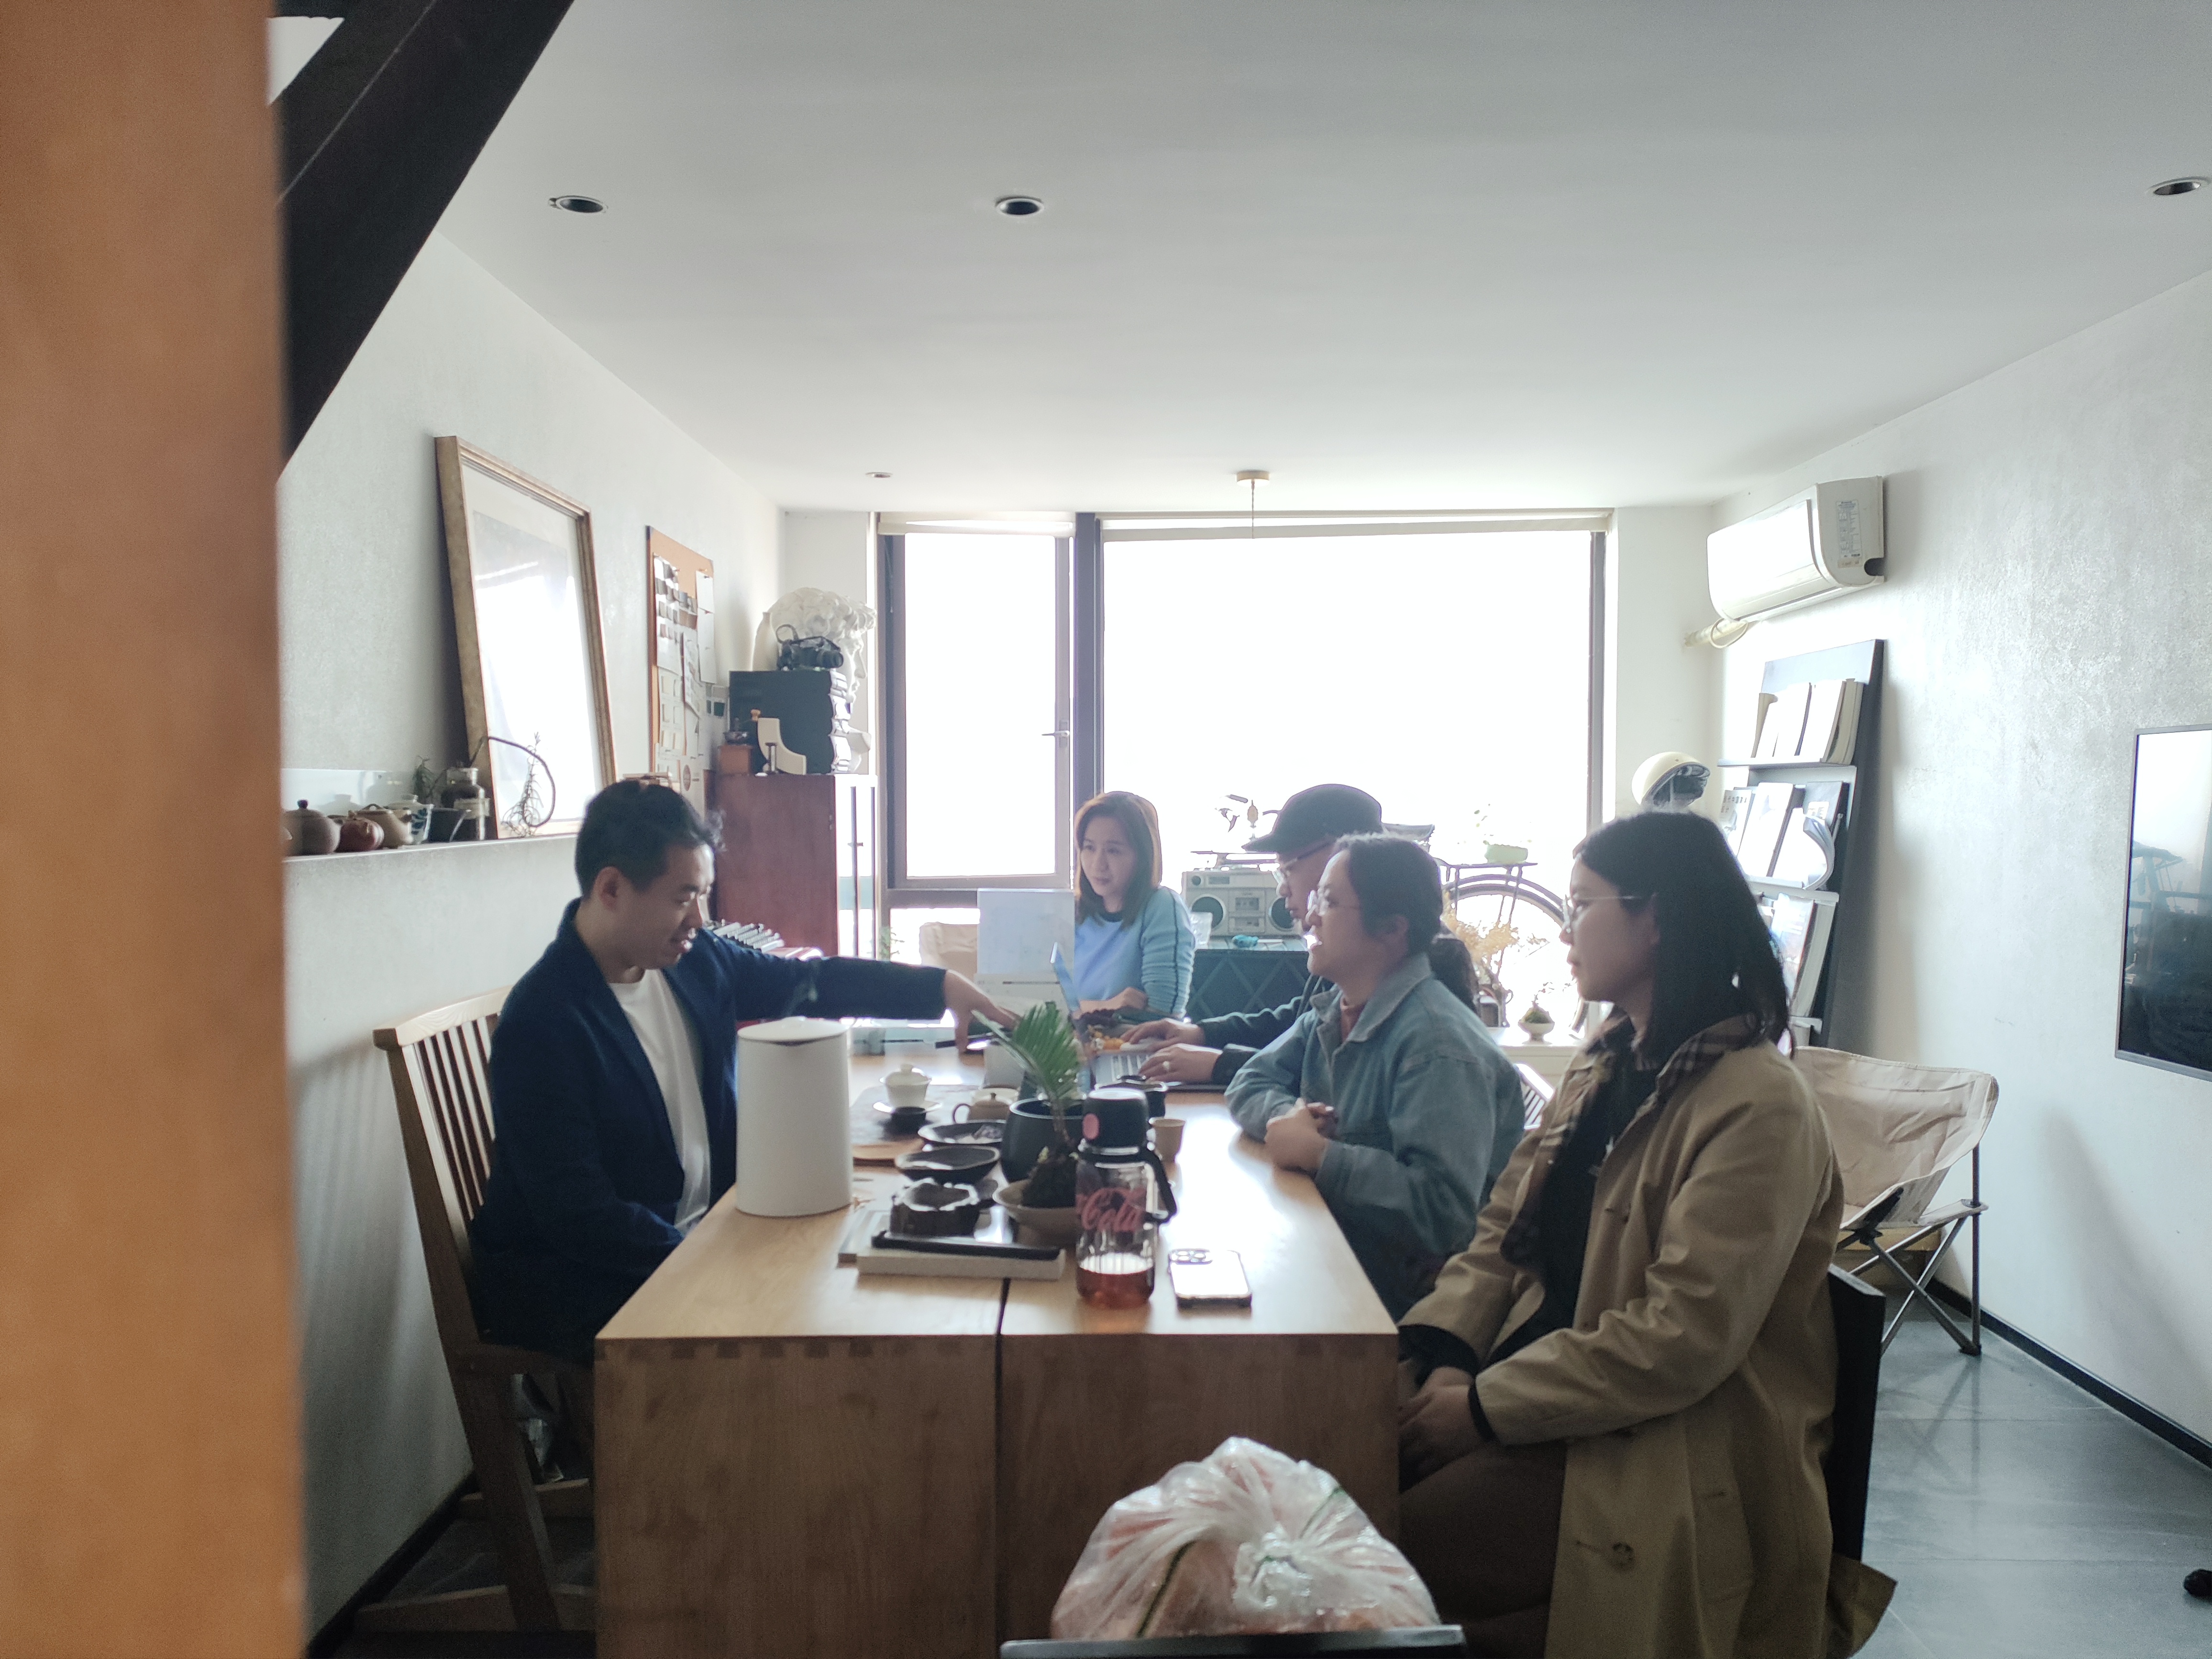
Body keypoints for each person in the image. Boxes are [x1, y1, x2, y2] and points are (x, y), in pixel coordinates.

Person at [1394, 810, 1888, 1659]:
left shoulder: (1758, 1105)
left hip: (1665, 1443)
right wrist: (1448, 1353)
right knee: (1327, 1465)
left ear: (1654, 917)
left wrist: (1480, 1408)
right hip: (1554, 1393)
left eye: (1581, 905)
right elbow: (1502, 1232)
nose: (1563, 931)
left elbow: (1681, 1338)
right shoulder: (1608, 1060)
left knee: (1370, 1547)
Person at [469, 780, 1012, 1363]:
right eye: (683, 898)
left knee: (871, 1271)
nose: (698, 920)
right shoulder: (544, 1020)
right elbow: (579, 1216)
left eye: (702, 895)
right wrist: (711, 1258)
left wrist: (942, 987)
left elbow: (810, 982)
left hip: (707, 1233)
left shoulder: (693, 961)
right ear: (611, 889)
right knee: (833, 1331)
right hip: (592, 1281)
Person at [1225, 834, 1524, 1319]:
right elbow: (1251, 1081)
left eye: (1329, 901)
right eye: (1316, 898)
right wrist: (1294, 1120)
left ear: (1392, 930)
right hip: (1337, 1259)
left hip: (1401, 1309)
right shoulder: (1336, 1008)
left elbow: (1444, 1215)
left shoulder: (1437, 1047)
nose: (1311, 916)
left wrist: (1322, 1155)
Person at [1130, 783, 1386, 1086]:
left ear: (1338, 855)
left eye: (1288, 869)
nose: (1282, 888)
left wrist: (1223, 1065)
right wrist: (1203, 1034)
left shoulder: (1397, 976)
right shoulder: (1351, 953)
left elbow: (1334, 1083)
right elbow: (1296, 1026)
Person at [1071, 790, 1196, 1020]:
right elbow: (1039, 1007)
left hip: (1136, 1043)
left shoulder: (1161, 907)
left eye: (1113, 851)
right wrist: (1106, 1006)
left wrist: (1077, 1010)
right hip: (1070, 1040)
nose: (1098, 864)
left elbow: (1162, 1020)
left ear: (1142, 856)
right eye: (1089, 848)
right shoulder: (1072, 911)